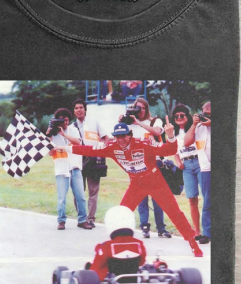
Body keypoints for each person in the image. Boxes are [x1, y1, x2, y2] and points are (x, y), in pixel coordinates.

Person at [60, 119, 203, 257]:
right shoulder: (112, 147)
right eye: (117, 137)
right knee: (122, 213)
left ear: (130, 135)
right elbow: (89, 149)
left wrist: (170, 136)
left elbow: (169, 150)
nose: (120, 140)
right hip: (136, 184)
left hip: (155, 182)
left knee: (174, 212)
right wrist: (65, 148)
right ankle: (117, 244)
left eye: (123, 136)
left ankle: (192, 243)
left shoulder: (144, 143)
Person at [119, 98, 172, 239]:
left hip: (155, 164)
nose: (140, 111)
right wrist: (121, 122)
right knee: (141, 198)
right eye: (138, 108)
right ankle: (144, 227)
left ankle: (161, 228)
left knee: (158, 198)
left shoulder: (154, 121)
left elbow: (157, 132)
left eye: (143, 108)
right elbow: (120, 140)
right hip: (138, 166)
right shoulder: (129, 125)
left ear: (147, 109)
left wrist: (139, 123)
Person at [46, 108, 92, 230]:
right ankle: (61, 221)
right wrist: (49, 137)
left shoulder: (73, 129)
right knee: (62, 197)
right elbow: (50, 153)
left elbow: (78, 142)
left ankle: (82, 220)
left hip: (75, 166)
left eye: (67, 120)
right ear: (58, 121)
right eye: (63, 121)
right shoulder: (52, 134)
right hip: (61, 168)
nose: (65, 123)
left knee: (81, 196)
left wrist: (64, 134)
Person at [70, 99, 110, 228]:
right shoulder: (71, 128)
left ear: (85, 109)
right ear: (74, 111)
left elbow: (105, 137)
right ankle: (82, 218)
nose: (79, 110)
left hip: (93, 161)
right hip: (78, 161)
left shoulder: (94, 122)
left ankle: (91, 218)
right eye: (76, 108)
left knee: (93, 191)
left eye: (81, 107)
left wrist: (102, 150)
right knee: (78, 191)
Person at [86, 206, 146, 281]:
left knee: (93, 268)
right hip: (133, 281)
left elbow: (96, 266)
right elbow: (141, 262)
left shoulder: (106, 246)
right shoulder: (139, 244)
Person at [172, 104, 203, 241]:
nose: (179, 118)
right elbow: (174, 149)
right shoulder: (174, 133)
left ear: (187, 116)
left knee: (207, 196)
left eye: (181, 115)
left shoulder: (196, 127)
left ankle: (208, 229)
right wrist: (178, 161)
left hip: (199, 162)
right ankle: (197, 231)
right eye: (176, 116)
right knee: (192, 198)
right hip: (186, 166)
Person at [184, 102, 211, 244]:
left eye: (210, 114)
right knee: (207, 200)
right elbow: (186, 142)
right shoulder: (199, 127)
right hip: (205, 167)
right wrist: (194, 125)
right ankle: (207, 233)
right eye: (205, 114)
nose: (207, 117)